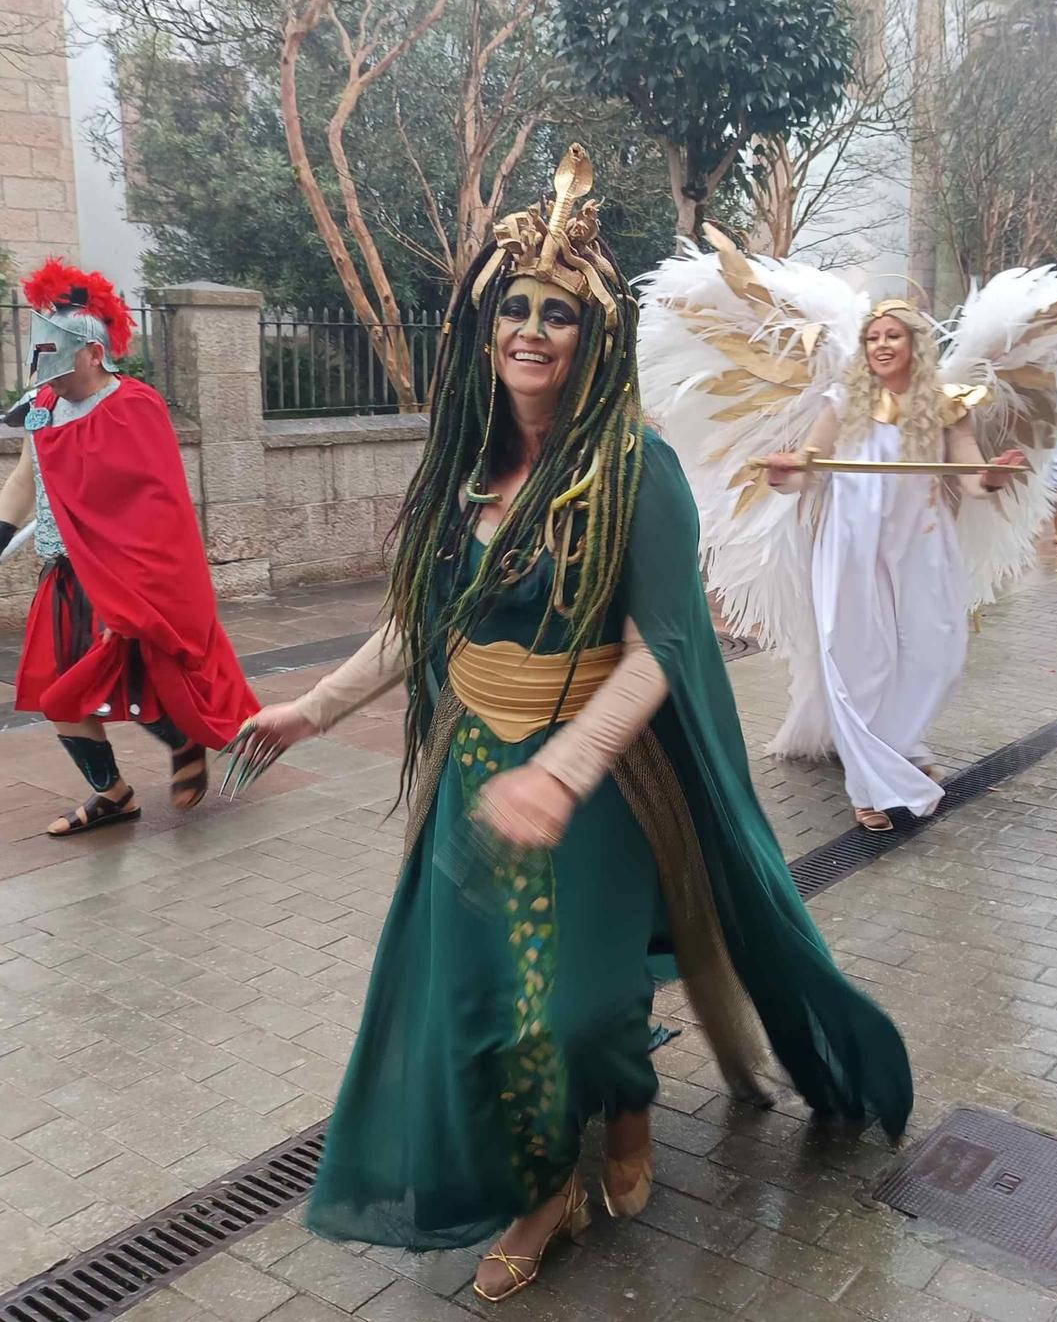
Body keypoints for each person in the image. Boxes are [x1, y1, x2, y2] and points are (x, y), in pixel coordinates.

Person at [223, 148, 911, 1302]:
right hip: (473, 772)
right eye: (514, 310)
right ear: (486, 330)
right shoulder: (466, 471)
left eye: (557, 314)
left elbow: (666, 652)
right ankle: (542, 1194)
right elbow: (418, 625)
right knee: (487, 1007)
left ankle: (627, 1096)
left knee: (584, 1005)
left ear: (592, 340)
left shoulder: (637, 471)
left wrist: (567, 768)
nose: (531, 330)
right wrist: (310, 708)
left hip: (599, 785)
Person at [0, 260, 258, 836]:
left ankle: (185, 738)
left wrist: (135, 586)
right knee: (57, 694)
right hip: (64, 574)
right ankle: (113, 794)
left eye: (56, 352)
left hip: (122, 577)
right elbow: (27, 478)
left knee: (144, 676)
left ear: (92, 354)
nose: (43, 368)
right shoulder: (41, 409)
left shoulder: (134, 406)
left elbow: (157, 508)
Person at [761, 300, 1026, 831]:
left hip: (923, 542)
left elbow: (973, 478)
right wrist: (783, 473)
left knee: (940, 653)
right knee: (860, 659)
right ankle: (867, 783)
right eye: (872, 337)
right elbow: (809, 469)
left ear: (914, 345)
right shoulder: (844, 401)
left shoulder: (947, 405)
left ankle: (898, 743)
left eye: (892, 336)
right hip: (852, 544)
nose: (881, 345)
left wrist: (992, 477)